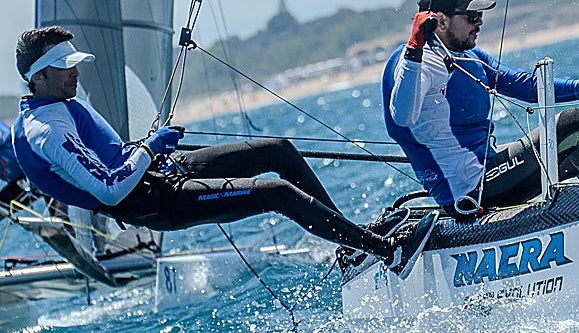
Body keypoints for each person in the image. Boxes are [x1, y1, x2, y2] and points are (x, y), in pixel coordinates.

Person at [12, 26, 433, 274]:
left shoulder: (58, 102)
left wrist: (149, 147)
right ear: (39, 77)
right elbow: (109, 189)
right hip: (151, 200)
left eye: (74, 64)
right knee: (276, 194)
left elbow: (113, 156)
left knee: (279, 151)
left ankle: (351, 246)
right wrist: (149, 148)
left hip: (161, 169)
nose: (75, 73)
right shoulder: (46, 129)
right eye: (65, 68)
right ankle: (387, 252)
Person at [382, 0, 579, 218]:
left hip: (487, 171)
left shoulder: (469, 56)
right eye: (472, 15)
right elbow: (402, 117)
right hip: (469, 190)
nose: (480, 22)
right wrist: (415, 48)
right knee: (575, 123)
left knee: (572, 151)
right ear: (441, 21)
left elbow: (528, 87)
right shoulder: (420, 62)